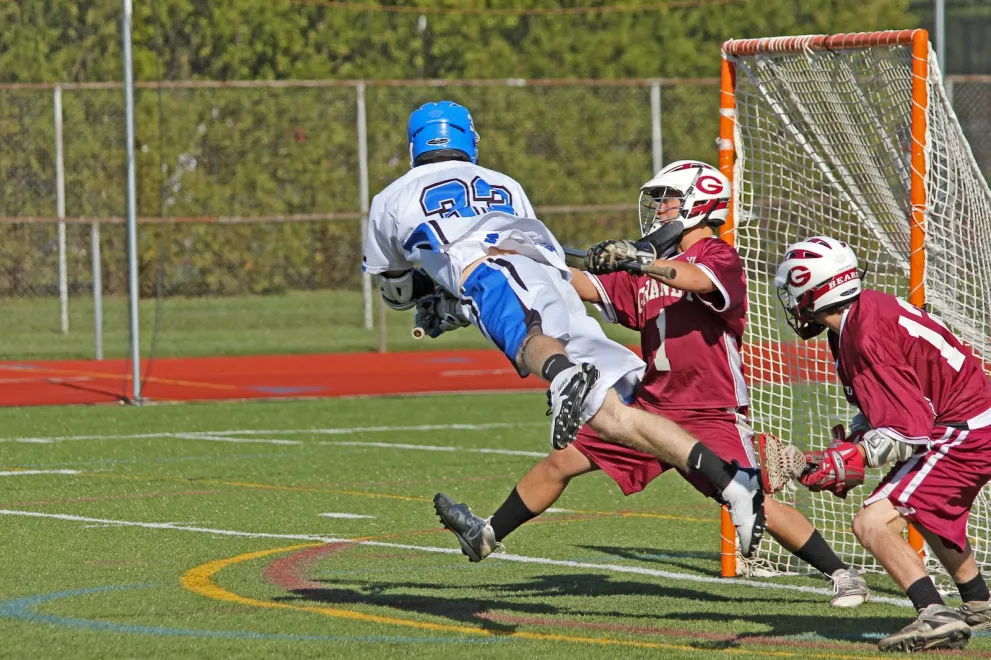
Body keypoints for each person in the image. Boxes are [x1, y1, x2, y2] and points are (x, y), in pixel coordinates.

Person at [435, 161, 869, 608]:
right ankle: (486, 536)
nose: (660, 209)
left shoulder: (716, 256)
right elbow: (584, 285)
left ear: (700, 203)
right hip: (650, 405)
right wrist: (529, 261)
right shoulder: (649, 271)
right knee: (561, 462)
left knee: (747, 496)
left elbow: (699, 280)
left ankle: (842, 574)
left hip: (709, 409)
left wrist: (641, 261)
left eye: (669, 199)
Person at [362, 101, 764, 555]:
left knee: (527, 341)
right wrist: (453, 308)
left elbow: (397, 291)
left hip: (489, 270)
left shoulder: (391, 197)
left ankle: (562, 374)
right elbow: (529, 257)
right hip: (551, 278)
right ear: (467, 138)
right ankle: (732, 483)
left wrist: (430, 298)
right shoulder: (504, 182)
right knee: (618, 416)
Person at [775, 235, 991, 651]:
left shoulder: (864, 333)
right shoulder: (857, 319)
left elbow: (910, 432)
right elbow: (890, 409)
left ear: (816, 290)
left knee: (870, 522)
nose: (792, 302)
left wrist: (847, 458)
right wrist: (851, 445)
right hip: (967, 421)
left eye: (794, 291)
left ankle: (934, 615)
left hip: (964, 429)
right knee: (926, 509)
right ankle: (978, 601)